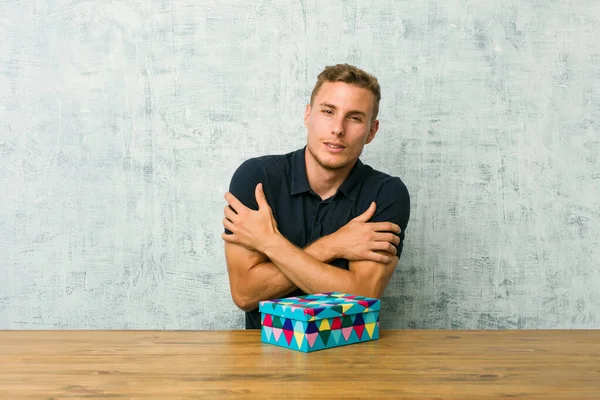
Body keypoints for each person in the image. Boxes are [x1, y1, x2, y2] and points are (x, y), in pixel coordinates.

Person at [222, 63, 410, 329]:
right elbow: (245, 293)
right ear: (308, 115)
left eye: (354, 117)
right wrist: (332, 245)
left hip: (351, 357)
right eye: (328, 111)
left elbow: (363, 297)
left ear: (371, 131)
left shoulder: (385, 193)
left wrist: (268, 242)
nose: (338, 129)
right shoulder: (257, 179)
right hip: (263, 355)